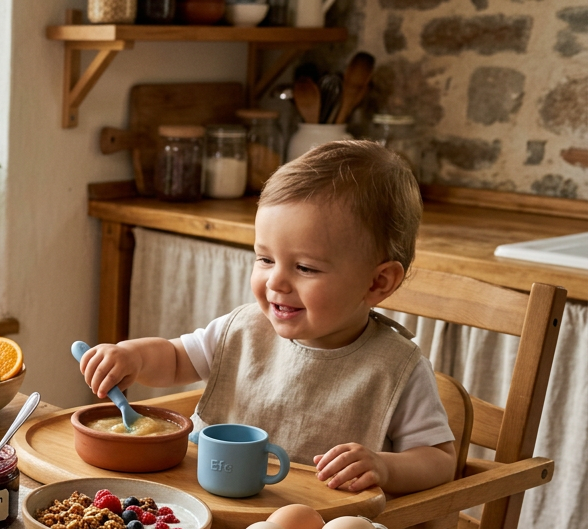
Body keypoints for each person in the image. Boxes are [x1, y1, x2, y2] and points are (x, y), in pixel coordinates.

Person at [80, 140, 455, 495]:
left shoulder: (397, 367)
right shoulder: (243, 329)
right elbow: (176, 359)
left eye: (305, 267)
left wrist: (385, 467)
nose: (276, 281)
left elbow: (438, 460)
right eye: (264, 259)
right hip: (210, 505)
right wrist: (134, 357)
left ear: (378, 282)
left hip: (323, 527)